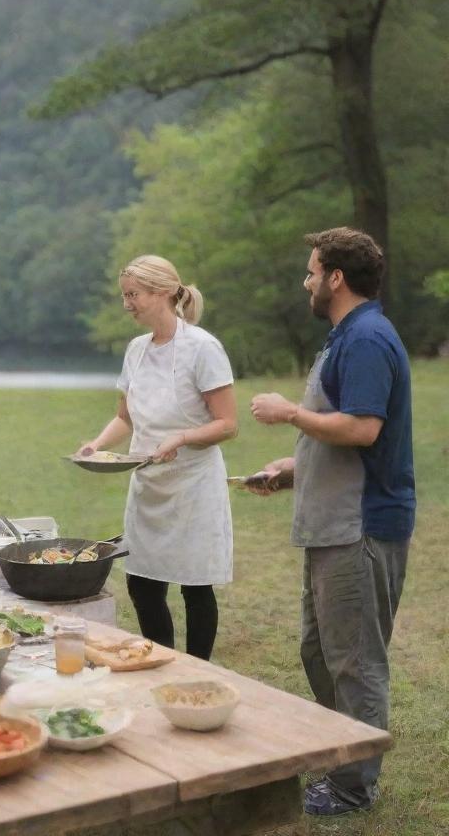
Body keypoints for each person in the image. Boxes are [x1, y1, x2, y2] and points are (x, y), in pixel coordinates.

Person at [248, 227, 414, 817]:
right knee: (319, 653)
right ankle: (344, 760)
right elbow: (345, 429)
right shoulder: (345, 336)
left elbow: (365, 428)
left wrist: (288, 412)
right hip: (329, 522)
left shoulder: (366, 338)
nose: (307, 280)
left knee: (356, 661)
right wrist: (295, 466)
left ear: (336, 278)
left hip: (358, 526)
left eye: (313, 270)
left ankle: (352, 787)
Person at [76, 255, 238, 661]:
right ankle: (165, 663)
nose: (127, 304)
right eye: (124, 296)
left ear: (163, 292)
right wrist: (96, 445)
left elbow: (227, 424)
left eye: (133, 295)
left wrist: (181, 437)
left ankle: (200, 669)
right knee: (143, 585)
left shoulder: (203, 348)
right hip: (148, 485)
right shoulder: (136, 350)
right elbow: (124, 417)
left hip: (194, 485)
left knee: (195, 587)